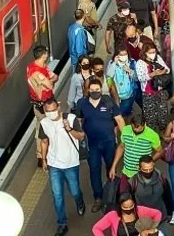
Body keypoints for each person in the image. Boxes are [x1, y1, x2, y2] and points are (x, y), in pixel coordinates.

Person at [74, 78, 123, 213]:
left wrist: (125, 137)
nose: (95, 92)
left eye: (97, 89)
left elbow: (119, 119)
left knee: (111, 168)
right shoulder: (82, 103)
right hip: (92, 144)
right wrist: (80, 134)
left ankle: (112, 195)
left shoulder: (108, 101)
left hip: (108, 142)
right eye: (93, 89)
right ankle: (98, 198)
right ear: (88, 90)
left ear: (101, 90)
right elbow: (78, 120)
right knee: (94, 170)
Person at [39, 99, 85, 236]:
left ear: (58, 107)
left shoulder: (71, 118)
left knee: (74, 191)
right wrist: (44, 159)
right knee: (57, 195)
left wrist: (69, 129)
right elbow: (44, 141)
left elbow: (81, 136)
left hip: (71, 163)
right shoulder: (44, 123)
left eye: (53, 110)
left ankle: (80, 201)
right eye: (48, 111)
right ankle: (62, 223)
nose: (51, 113)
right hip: (54, 165)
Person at [109, 112, 163, 184]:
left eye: (140, 129)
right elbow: (121, 147)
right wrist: (113, 167)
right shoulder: (125, 130)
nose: (137, 131)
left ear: (144, 125)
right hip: (126, 172)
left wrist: (148, 163)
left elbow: (160, 151)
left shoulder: (152, 135)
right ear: (131, 124)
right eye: (134, 129)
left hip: (143, 174)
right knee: (124, 194)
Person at [92, 192, 162, 236]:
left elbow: (157, 213)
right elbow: (96, 228)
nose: (129, 209)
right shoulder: (112, 215)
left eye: (131, 206)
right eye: (125, 207)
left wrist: (150, 229)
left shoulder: (139, 210)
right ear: (119, 206)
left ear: (134, 203)